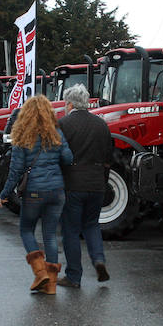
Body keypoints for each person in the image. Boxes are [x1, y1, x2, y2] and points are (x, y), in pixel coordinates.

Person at [0, 95, 73, 295]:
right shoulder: (56, 133)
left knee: (26, 230)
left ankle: (40, 272)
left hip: (34, 192)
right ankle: (51, 286)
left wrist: (4, 194)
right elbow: (68, 158)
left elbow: (15, 170)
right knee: (49, 235)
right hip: (57, 191)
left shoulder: (23, 134)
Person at [58, 84, 113, 288]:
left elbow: (56, 156)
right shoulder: (101, 125)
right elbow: (109, 157)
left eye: (65, 103)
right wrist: (103, 180)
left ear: (70, 103)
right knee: (91, 225)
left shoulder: (62, 124)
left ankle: (73, 276)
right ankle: (98, 260)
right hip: (96, 182)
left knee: (71, 230)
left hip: (73, 184)